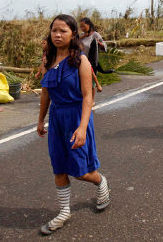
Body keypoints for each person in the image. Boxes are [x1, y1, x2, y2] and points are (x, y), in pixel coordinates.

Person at [37, 14, 110, 235]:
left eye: (63, 31)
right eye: (54, 30)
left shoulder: (81, 60)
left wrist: (82, 127)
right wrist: (41, 119)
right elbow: (45, 93)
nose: (57, 35)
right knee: (59, 167)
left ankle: (101, 182)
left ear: (73, 35)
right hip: (57, 119)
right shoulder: (48, 61)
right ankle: (64, 212)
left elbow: (88, 97)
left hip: (77, 117)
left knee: (80, 171)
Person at [79, 18, 105, 102]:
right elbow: (74, 42)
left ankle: (92, 100)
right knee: (82, 80)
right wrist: (82, 36)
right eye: (81, 27)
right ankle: (83, 98)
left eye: (83, 26)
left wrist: (99, 44)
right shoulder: (81, 35)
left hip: (92, 61)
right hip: (81, 61)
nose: (82, 28)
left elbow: (104, 45)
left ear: (89, 25)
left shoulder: (95, 35)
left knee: (92, 81)